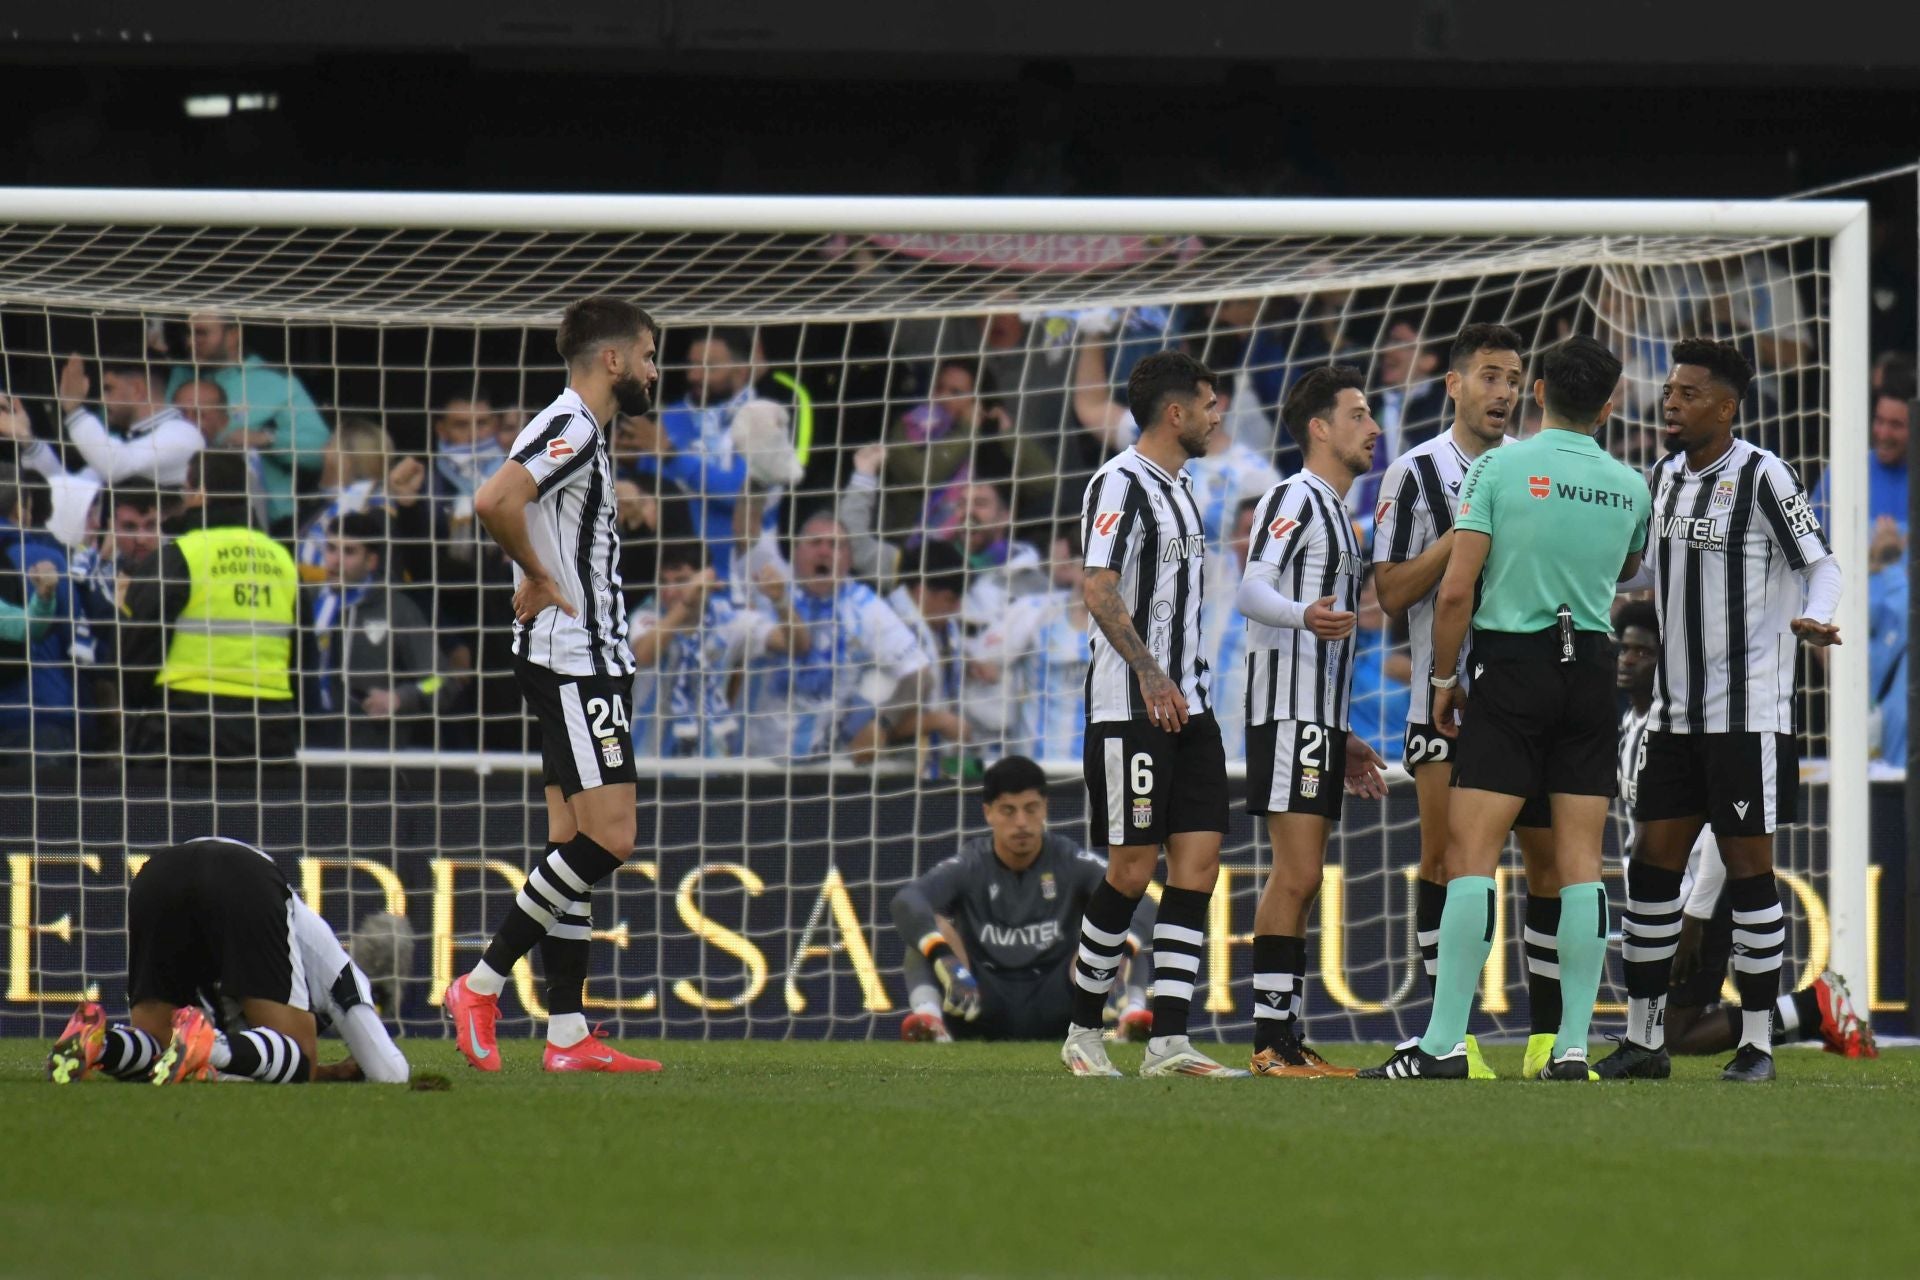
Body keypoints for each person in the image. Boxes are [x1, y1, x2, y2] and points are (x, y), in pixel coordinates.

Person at [1362, 335, 1651, 1081]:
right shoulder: (1632, 485)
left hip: (1510, 666)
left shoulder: (1498, 468)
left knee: (1470, 859)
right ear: (1611, 402)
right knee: (1582, 866)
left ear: (1540, 387)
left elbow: (1455, 593)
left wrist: (1447, 679)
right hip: (1592, 669)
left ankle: (1442, 1046)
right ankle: (1572, 1048)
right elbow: (1627, 565)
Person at [1601, 337, 1843, 1083]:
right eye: (1669, 391)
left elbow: (1821, 564)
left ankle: (1759, 1046)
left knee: (1749, 877)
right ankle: (1644, 1041)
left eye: (1686, 393)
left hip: (1747, 716)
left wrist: (1818, 614)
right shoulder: (1663, 477)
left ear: (1726, 407)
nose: (1669, 403)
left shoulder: (1766, 477)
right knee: (1651, 875)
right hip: (1674, 717)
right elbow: (1632, 564)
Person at [441, 295, 663, 1076]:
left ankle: (566, 1032)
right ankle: (480, 984)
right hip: (578, 658)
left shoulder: (574, 428)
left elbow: (517, 505)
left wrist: (538, 566)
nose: (651, 370)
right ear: (613, 361)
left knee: (570, 843)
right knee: (612, 837)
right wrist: (537, 571)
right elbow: (495, 500)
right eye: (646, 355)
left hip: (565, 655)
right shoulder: (569, 425)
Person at [1368, 323, 1563, 1078]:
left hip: (1529, 692)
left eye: (1514, 379)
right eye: (1489, 376)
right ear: (1453, 385)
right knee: (1447, 860)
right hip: (1439, 697)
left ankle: (1549, 1041)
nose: (1504, 393)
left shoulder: (1534, 468)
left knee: (1547, 863)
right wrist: (1467, 531)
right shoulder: (1413, 473)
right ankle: (1452, 1037)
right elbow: (1388, 595)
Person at [1060, 350, 1241, 1079]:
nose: (1216, 413)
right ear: (1177, 413)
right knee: (1132, 869)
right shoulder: (1120, 483)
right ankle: (1081, 1031)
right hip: (1131, 707)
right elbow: (1097, 588)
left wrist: (1177, 684)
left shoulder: (1181, 489)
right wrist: (1149, 673)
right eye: (1208, 402)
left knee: (1198, 865)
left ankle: (1169, 1042)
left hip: (1189, 706)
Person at [1609, 600, 1875, 1062]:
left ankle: (1811, 1009)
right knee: (1669, 1028)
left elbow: (1716, 831)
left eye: (1643, 652)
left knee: (1677, 1034)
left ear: (1667, 660)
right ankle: (1810, 1009)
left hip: (1702, 896)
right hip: (1671, 897)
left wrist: (1695, 917)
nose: (1628, 660)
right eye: (1624, 649)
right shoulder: (1632, 723)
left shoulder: (1684, 731)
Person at [1234, 365, 1387, 1076]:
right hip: (1285, 715)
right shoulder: (1293, 497)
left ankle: (1285, 1038)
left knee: (1305, 878)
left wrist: (1341, 732)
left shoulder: (1339, 515)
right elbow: (1251, 588)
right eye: (1358, 415)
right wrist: (1307, 615)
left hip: (1314, 720)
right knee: (1294, 876)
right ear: (1319, 428)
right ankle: (1270, 1043)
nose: (1374, 427)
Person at [45, 836, 409, 1086]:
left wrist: (331, 1073)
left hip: (158, 874)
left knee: (158, 1044)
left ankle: (100, 1044)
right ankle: (211, 1047)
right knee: (299, 1058)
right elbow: (391, 1072)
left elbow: (244, 1054)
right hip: (243, 876)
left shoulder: (296, 948)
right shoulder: (344, 974)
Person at [891, 756, 1153, 1042]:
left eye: (1031, 809)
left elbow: (1142, 900)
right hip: (978, 999)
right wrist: (944, 958)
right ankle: (929, 1022)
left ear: (1045, 809)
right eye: (1008, 811)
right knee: (926, 931)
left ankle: (1132, 1020)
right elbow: (907, 900)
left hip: (1060, 1001)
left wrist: (1123, 955)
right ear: (988, 813)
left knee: (1122, 926)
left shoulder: (1070, 859)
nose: (1021, 823)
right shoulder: (969, 864)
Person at [114, 449, 301, 765]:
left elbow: (137, 647)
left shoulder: (181, 556)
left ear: (199, 494)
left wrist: (139, 709)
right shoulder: (282, 559)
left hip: (189, 724)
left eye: (186, 489)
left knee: (179, 816)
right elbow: (302, 651)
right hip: (269, 725)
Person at [742, 513, 932, 762]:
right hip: (752, 762)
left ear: (849, 559)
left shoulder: (865, 606)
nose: (824, 552)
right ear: (796, 551)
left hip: (824, 770)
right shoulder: (768, 589)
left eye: (835, 545)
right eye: (815, 543)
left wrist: (882, 725)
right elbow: (743, 529)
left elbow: (921, 675)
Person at [628, 539, 801, 759]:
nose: (670, 592)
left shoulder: (726, 618)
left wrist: (781, 602)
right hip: (646, 758)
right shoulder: (647, 615)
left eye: (681, 581)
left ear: (707, 578)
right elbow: (643, 655)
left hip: (708, 760)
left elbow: (793, 644)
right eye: (664, 582)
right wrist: (686, 604)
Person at [167, 314, 332, 527]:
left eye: (201, 333)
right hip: (190, 514)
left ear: (233, 335)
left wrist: (266, 438)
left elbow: (321, 450)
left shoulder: (275, 382)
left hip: (270, 522)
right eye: (188, 333)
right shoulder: (180, 378)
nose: (190, 341)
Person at [304, 509, 444, 751]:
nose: (335, 560)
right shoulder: (306, 602)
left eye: (349, 552)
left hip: (371, 750)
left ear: (372, 561)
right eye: (330, 548)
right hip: (307, 742)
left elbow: (441, 680)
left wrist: (400, 698)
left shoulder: (397, 610)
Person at [3, 349, 202, 488]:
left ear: (137, 390)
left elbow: (115, 466)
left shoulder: (183, 434)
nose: (102, 400)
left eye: (109, 389)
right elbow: (68, 493)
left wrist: (74, 410)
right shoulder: (128, 444)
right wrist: (26, 439)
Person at [0, 465, 83, 755]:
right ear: (21, 509)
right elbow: (77, 642)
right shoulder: (48, 557)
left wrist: (43, 597)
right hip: (42, 713)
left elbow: (25, 626)